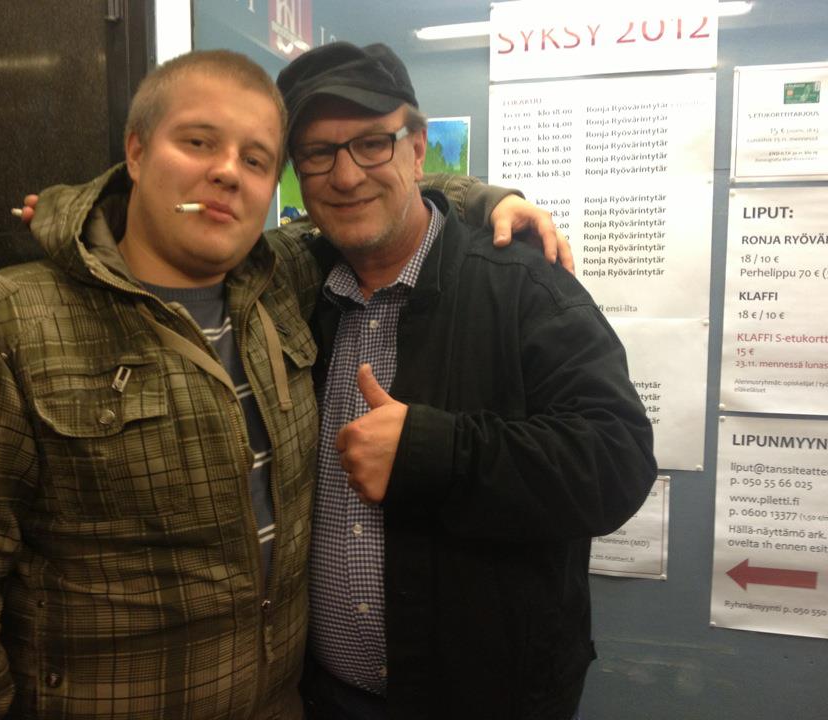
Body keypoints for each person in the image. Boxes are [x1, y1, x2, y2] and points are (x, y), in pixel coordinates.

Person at [0, 49, 564, 719]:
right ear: (135, 151)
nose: (228, 173)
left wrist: (490, 198)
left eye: (256, 159)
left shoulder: (284, 283)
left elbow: (376, 195)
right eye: (198, 142)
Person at [276, 42, 658, 720]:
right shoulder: (295, 297)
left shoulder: (523, 285)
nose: (346, 174)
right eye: (318, 153)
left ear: (417, 149)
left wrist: (435, 453)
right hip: (323, 698)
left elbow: (617, 460)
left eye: (372, 143)